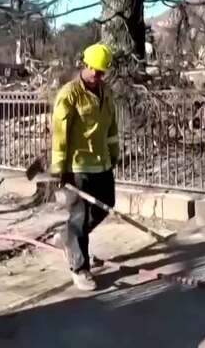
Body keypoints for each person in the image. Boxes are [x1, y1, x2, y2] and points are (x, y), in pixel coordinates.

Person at [50, 43, 119, 292]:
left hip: (102, 162)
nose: (99, 76)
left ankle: (69, 237)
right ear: (85, 65)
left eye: (103, 72)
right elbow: (60, 134)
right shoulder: (69, 94)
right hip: (78, 165)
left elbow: (112, 126)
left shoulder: (106, 92)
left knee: (106, 205)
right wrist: (59, 168)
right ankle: (79, 269)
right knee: (80, 217)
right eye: (96, 71)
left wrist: (115, 153)